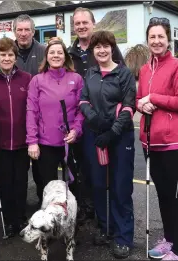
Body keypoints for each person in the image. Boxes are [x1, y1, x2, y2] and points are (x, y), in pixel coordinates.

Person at [136, 17, 178, 261]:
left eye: (160, 37)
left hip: (175, 145)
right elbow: (140, 99)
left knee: (177, 198)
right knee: (163, 196)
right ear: (147, 40)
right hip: (151, 144)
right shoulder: (144, 68)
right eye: (152, 37)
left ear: (168, 39)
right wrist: (140, 103)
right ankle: (168, 240)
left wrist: (154, 97)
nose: (156, 41)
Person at [80, 30, 136, 259]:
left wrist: (112, 131)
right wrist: (94, 120)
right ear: (93, 51)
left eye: (106, 46)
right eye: (97, 47)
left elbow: (129, 106)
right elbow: (83, 100)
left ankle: (123, 237)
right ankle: (106, 228)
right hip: (95, 135)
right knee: (99, 184)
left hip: (119, 137)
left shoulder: (124, 73)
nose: (102, 50)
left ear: (112, 48)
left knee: (120, 186)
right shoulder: (90, 74)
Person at [68, 7, 126, 223]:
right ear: (74, 26)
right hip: (79, 117)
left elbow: (122, 77)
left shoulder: (107, 48)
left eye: (85, 22)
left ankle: (105, 211)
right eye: (77, 23)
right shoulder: (69, 52)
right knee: (80, 165)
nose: (81, 26)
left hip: (105, 120)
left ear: (93, 24)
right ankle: (85, 206)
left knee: (103, 169)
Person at [0, 37, 32, 238]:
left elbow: (33, 110)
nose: (7, 58)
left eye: (11, 54)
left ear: (16, 57)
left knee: (21, 182)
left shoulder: (26, 79)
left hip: (22, 142)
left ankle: (20, 218)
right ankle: (9, 220)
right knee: (5, 183)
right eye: (3, 55)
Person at [26, 37, 84, 198]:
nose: (56, 55)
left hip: (70, 142)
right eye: (52, 52)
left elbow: (83, 108)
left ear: (65, 56)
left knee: (74, 184)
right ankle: (48, 218)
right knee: (47, 186)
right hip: (46, 144)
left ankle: (74, 216)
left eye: (60, 52)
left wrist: (76, 130)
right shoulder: (37, 80)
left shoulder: (76, 79)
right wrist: (32, 141)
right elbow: (31, 112)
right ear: (47, 56)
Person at [13, 14, 46, 203]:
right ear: (14, 31)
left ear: (33, 32)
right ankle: (19, 210)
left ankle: (45, 206)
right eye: (20, 30)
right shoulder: (8, 52)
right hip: (17, 121)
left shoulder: (44, 51)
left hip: (41, 121)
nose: (23, 34)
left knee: (41, 169)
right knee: (19, 170)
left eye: (27, 30)